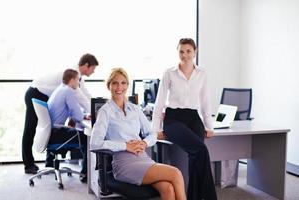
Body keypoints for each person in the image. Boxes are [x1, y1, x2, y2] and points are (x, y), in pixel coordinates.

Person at [90, 68, 187, 200]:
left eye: (123, 83)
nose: (119, 87)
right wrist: (125, 146)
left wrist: (144, 142)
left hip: (143, 159)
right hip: (124, 164)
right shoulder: (105, 112)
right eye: (115, 83)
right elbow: (95, 143)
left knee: (168, 188)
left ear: (127, 85)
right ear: (109, 86)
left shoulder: (135, 109)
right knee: (176, 173)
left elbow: (152, 134)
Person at [152, 38, 217, 200]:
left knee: (195, 156)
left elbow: (205, 101)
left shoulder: (202, 74)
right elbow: (159, 101)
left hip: (194, 118)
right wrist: (156, 129)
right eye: (181, 51)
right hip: (173, 118)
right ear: (178, 52)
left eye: (188, 51)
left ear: (195, 52)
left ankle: (194, 196)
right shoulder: (169, 73)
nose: (185, 55)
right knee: (200, 150)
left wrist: (209, 126)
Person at [22, 53, 98, 174]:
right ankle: (28, 164)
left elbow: (84, 95)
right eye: (93, 68)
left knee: (49, 123)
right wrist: (96, 112)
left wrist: (93, 108)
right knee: (30, 128)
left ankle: (49, 163)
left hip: (42, 95)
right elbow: (81, 97)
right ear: (86, 65)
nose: (94, 72)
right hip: (35, 92)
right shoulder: (73, 75)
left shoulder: (75, 76)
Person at [47, 69, 89, 183]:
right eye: (77, 80)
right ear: (72, 80)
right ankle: (85, 174)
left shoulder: (61, 89)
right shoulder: (69, 91)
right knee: (87, 138)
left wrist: (81, 116)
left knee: (78, 131)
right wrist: (84, 116)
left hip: (51, 133)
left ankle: (84, 171)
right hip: (56, 133)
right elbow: (78, 116)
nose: (78, 84)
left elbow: (73, 112)